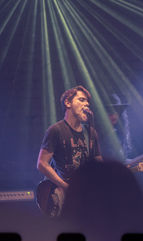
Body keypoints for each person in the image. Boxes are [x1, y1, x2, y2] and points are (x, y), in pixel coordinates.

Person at [37, 85, 102, 217]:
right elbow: (42, 164)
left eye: (88, 102)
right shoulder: (56, 130)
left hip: (84, 193)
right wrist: (65, 186)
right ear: (68, 103)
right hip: (62, 193)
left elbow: (98, 162)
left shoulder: (91, 132)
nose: (87, 104)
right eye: (82, 100)